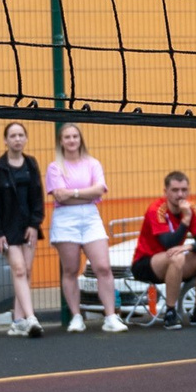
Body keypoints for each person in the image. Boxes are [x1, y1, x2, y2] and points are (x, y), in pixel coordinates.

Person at [46, 122, 127, 333]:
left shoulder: (93, 164)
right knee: (71, 269)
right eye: (67, 137)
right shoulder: (55, 167)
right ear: (61, 142)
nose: (72, 140)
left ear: (80, 139)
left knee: (103, 267)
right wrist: (86, 193)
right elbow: (59, 196)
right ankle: (76, 317)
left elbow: (99, 190)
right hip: (65, 221)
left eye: (75, 136)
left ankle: (110, 317)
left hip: (91, 218)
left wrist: (72, 193)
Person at [132, 171, 196, 327]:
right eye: (175, 190)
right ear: (165, 192)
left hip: (173, 262)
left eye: (184, 190)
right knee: (176, 256)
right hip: (146, 263)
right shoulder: (157, 210)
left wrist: (189, 246)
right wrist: (185, 220)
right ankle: (170, 312)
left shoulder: (191, 208)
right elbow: (168, 244)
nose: (180, 195)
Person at [0, 121, 46, 338]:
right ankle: (32, 319)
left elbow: (38, 196)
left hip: (28, 227)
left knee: (26, 272)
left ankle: (17, 320)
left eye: (21, 135)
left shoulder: (31, 164)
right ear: (5, 140)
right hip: (7, 229)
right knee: (18, 269)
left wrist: (34, 224)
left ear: (26, 139)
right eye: (13, 135)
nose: (17, 139)